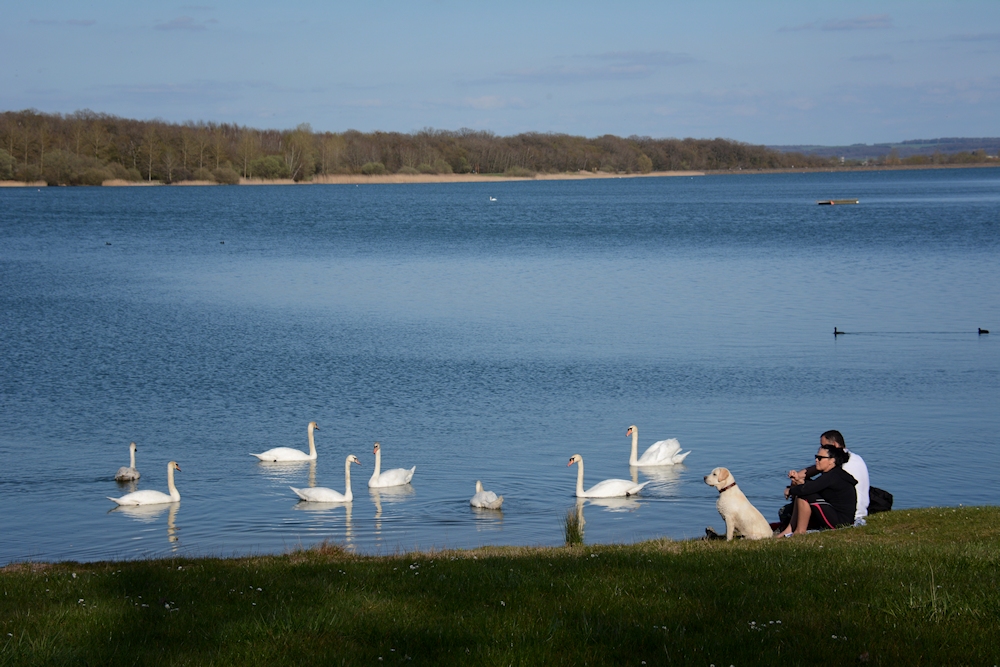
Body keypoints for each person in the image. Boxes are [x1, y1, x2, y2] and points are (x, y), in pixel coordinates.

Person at [788, 430, 869, 526]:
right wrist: (797, 478)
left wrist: (790, 490)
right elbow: (811, 471)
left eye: (823, 446)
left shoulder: (841, 467)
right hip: (859, 509)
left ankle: (797, 530)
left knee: (805, 493)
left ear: (834, 445)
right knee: (804, 487)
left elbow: (811, 487)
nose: (821, 448)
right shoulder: (852, 457)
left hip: (851, 512)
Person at [777, 444, 856, 536]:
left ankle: (799, 532)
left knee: (804, 494)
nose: (816, 460)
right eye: (816, 457)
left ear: (832, 460)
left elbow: (807, 489)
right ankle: (789, 530)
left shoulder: (832, 476)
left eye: (820, 458)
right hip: (837, 516)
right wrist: (797, 480)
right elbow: (812, 486)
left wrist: (789, 491)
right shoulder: (833, 474)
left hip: (840, 522)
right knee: (804, 491)